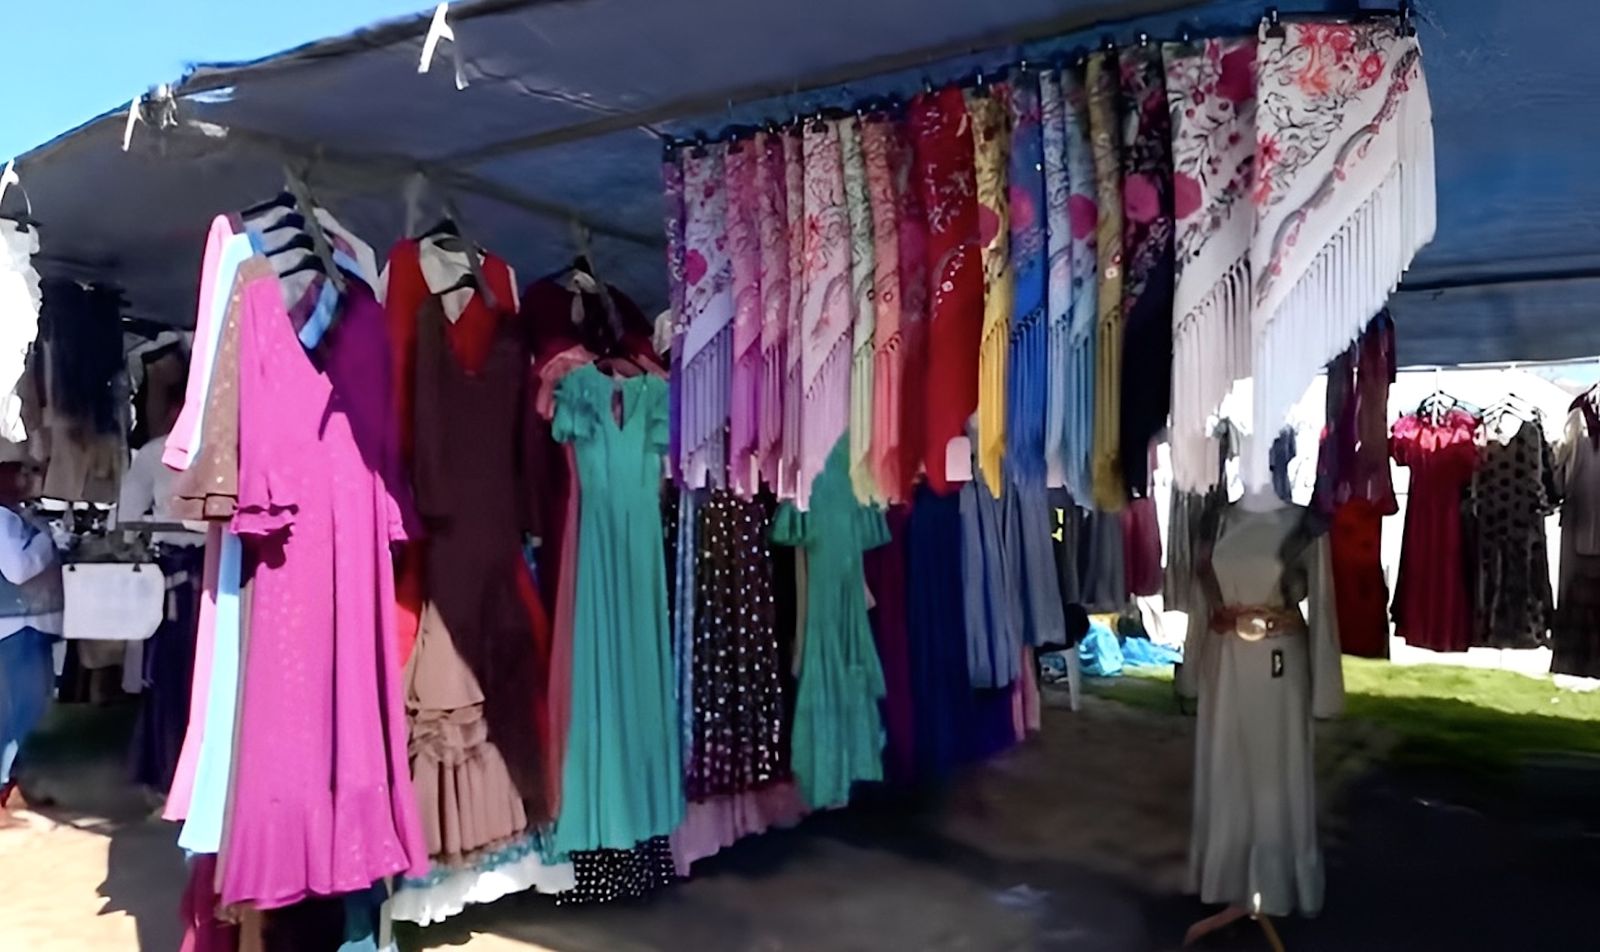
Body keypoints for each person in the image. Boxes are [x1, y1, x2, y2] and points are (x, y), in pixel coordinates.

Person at [0, 459, 64, 826]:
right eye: (20, 473)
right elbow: (18, 569)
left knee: (31, 709)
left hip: (27, 625)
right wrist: (45, 541)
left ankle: (15, 788)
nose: (29, 479)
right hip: (15, 627)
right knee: (16, 712)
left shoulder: (15, 515)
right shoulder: (3, 518)